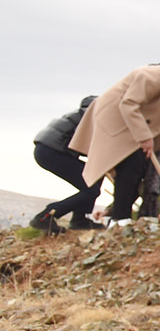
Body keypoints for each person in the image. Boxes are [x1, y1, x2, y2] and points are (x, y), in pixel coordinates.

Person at [66, 53, 160, 223]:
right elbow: (128, 104)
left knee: (140, 167)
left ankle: (120, 216)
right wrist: (145, 137)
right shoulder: (152, 77)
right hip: (116, 122)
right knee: (130, 166)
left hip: (136, 125)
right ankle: (120, 218)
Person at [30, 96, 103, 233]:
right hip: (52, 152)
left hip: (45, 150)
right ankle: (45, 216)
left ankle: (79, 220)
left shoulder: (78, 115)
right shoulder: (90, 117)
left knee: (94, 178)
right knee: (91, 188)